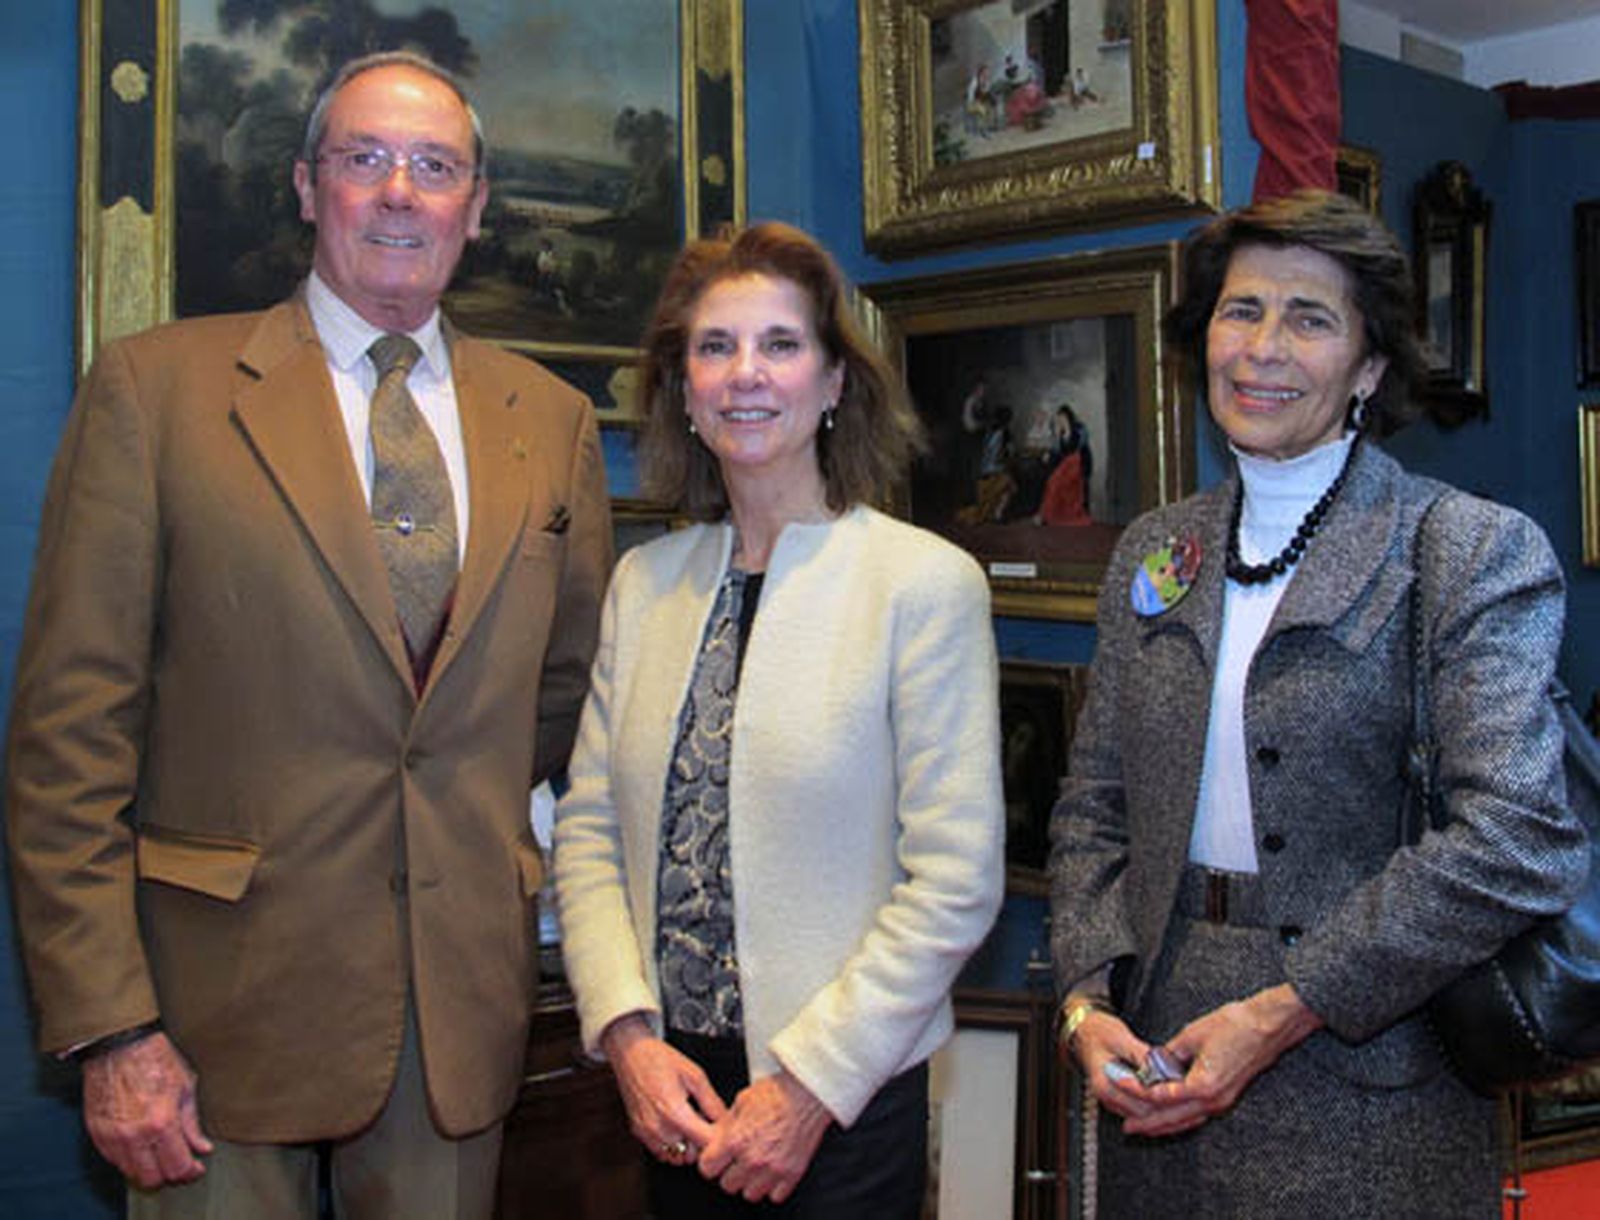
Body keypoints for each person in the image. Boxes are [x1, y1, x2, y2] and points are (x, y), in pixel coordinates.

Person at [5, 51, 611, 1220]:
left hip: (455, 1022)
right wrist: (112, 1025)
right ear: (303, 184)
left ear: (477, 208)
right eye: (364, 158)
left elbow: (558, 698)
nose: (399, 190)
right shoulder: (155, 392)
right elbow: (68, 744)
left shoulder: (553, 420)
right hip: (209, 1025)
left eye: (434, 166)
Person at [1048, 191, 1589, 1218]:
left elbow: (1519, 836)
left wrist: (1292, 1006)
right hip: (1152, 1060)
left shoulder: (1466, 548)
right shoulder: (1155, 551)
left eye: (1310, 318)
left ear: (1369, 367)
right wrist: (1084, 998)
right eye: (1240, 310)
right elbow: (1091, 805)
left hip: (1369, 1075)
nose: (1262, 347)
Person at [553, 221, 1004, 1218]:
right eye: (714, 347)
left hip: (841, 1103)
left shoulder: (921, 585)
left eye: (780, 344)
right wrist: (627, 1036)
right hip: (672, 1089)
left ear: (836, 379)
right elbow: (588, 830)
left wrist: (804, 1089)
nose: (743, 374)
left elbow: (956, 881)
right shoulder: (645, 583)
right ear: (680, 385)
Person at [1036, 403, 1093, 527]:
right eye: (1058, 419)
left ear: (1067, 417)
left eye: (1061, 418)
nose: (1059, 421)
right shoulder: (1060, 432)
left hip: (1077, 462)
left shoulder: (1079, 429)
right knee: (1053, 482)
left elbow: (1077, 447)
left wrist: (1067, 432)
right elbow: (1058, 450)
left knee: (1062, 483)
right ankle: (1048, 515)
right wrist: (1049, 454)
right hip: (1067, 463)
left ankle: (1061, 515)